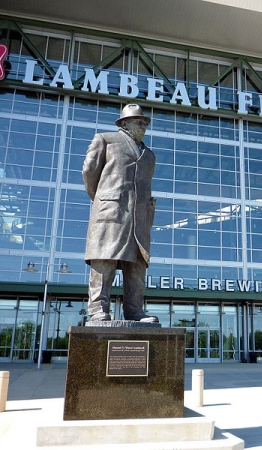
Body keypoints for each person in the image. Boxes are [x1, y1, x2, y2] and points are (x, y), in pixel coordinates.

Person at [82, 104, 158, 323]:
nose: (143, 126)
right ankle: (98, 309)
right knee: (104, 259)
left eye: (145, 123)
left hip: (140, 218)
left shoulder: (149, 155)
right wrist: (102, 199)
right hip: (111, 211)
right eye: (138, 122)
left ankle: (135, 310)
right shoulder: (106, 140)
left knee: (136, 264)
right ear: (124, 124)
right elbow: (89, 172)